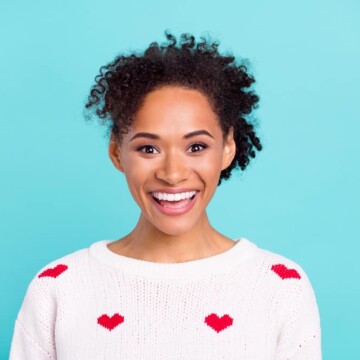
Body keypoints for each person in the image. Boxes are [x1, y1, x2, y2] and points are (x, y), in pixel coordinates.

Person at [10, 32, 322, 359]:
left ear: (228, 148)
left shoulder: (281, 287)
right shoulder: (58, 289)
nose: (173, 174)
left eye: (196, 147)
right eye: (148, 148)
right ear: (117, 153)